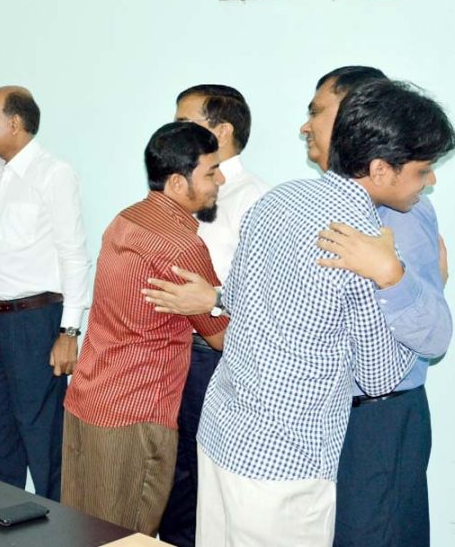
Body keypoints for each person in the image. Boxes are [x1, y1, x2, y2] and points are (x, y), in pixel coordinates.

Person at [143, 68, 452, 547]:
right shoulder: (361, 240)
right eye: (422, 170)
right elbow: (380, 374)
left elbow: (245, 298)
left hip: (229, 428)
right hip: (290, 455)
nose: (429, 182)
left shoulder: (278, 197)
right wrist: (394, 278)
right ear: (380, 168)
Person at [303, 67, 450, 547]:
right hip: (330, 413)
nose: (307, 126)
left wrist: (394, 276)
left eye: (318, 112)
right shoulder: (312, 203)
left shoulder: (401, 211)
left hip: (379, 418)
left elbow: (433, 331)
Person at [62, 122, 229, 535]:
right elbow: (220, 335)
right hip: (134, 417)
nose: (220, 180)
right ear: (177, 182)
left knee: (84, 530)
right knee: (125, 537)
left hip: (88, 401)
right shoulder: (181, 246)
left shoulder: (126, 222)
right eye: (210, 172)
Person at [0, 86, 91, 500]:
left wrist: (70, 331)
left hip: (36, 323)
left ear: (14, 123)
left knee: (43, 434)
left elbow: (75, 257)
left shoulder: (54, 173)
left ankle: (56, 530)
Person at [160, 85, 268, 547]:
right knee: (174, 472)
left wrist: (212, 300)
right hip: (172, 349)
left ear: (222, 132)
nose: (177, 129)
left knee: (204, 475)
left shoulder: (255, 199)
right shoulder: (181, 190)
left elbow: (260, 292)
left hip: (217, 356)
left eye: (189, 122)